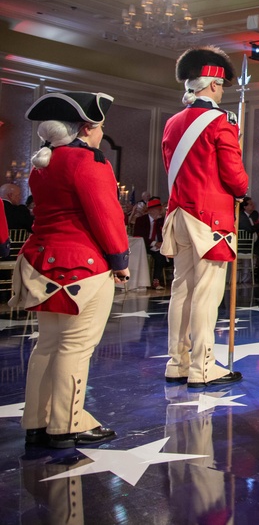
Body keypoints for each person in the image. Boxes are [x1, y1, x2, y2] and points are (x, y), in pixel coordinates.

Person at [12, 91, 129, 448]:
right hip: (82, 265)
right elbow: (105, 215)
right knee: (75, 347)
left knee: (47, 344)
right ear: (86, 127)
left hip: (42, 263)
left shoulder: (43, 164)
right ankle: (68, 421)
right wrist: (120, 261)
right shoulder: (88, 161)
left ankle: (37, 419)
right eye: (100, 128)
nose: (100, 135)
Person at [160, 46, 248, 388]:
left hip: (179, 213)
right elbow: (234, 175)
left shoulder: (171, 123)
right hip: (210, 219)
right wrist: (241, 190)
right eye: (221, 84)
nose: (223, 89)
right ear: (212, 85)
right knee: (206, 294)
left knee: (180, 290)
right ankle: (203, 365)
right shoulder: (221, 122)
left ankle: (177, 361)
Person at [134, 196, 167, 289]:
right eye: (158, 210)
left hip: (159, 246)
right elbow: (138, 236)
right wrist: (154, 243)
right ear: (151, 210)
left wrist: (161, 243)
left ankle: (161, 279)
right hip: (144, 246)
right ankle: (155, 281)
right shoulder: (141, 220)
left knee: (165, 255)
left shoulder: (161, 221)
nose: (160, 212)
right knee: (160, 256)